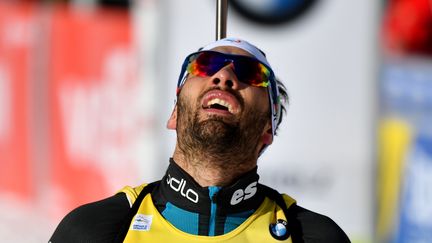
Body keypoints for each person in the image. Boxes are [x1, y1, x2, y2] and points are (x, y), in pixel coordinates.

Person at [49, 37, 351, 243]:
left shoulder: (312, 236)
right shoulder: (95, 230)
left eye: (250, 74)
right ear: (174, 115)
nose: (223, 75)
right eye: (204, 65)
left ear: (267, 130)